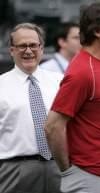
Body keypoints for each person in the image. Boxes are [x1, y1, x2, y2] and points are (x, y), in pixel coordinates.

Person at [45, 2, 100, 193]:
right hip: (91, 177)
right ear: (98, 31)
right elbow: (53, 126)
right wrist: (68, 172)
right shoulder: (83, 70)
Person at [0, 22, 62, 193]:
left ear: (42, 48)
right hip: (14, 171)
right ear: (11, 50)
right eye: (22, 46)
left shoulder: (60, 82)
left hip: (58, 168)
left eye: (33, 45)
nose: (28, 51)